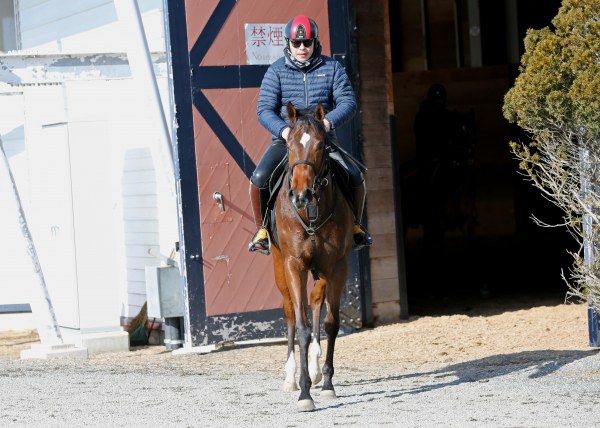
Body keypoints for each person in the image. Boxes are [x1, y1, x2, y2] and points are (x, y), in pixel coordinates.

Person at [248, 14, 372, 255]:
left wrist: (326, 123)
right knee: (259, 178)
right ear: (289, 44)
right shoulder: (276, 71)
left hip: (322, 139)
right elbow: (264, 109)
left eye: (307, 42)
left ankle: (356, 226)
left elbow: (348, 102)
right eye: (297, 43)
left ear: (315, 42)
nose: (302, 48)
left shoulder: (332, 68)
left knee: (355, 176)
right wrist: (284, 131)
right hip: (288, 140)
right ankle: (262, 230)